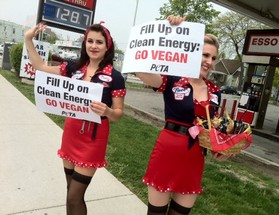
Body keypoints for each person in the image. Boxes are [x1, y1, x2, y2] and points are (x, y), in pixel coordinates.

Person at [24, 22, 126, 215]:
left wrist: (108, 111)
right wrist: (29, 38)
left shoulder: (116, 77)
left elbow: (119, 113)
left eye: (99, 42)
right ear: (85, 43)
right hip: (72, 132)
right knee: (70, 192)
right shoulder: (73, 67)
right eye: (90, 41)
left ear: (108, 46)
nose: (94, 46)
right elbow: (39, 66)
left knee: (74, 196)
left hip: (94, 137)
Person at [136, 16, 230, 215]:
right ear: (192, 52)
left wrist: (222, 148)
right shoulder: (173, 78)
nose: (209, 62)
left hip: (194, 157)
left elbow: (212, 128)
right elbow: (141, 71)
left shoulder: (215, 91)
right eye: (205, 55)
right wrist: (170, 31)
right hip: (167, 152)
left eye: (213, 58)